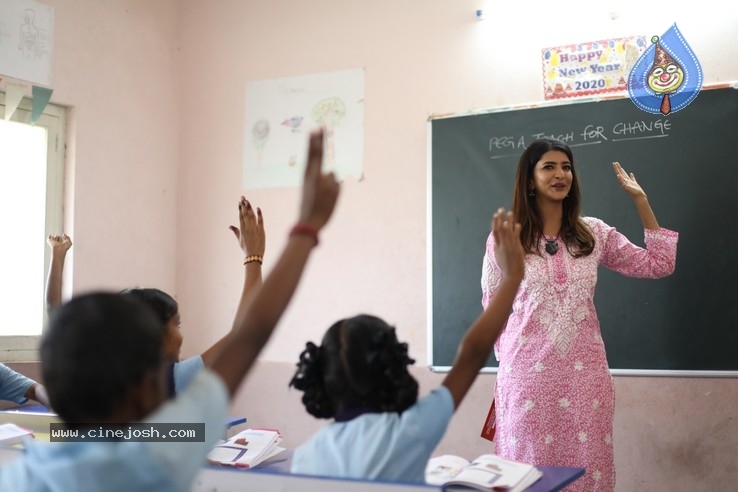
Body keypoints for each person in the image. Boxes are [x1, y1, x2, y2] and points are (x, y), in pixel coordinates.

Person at [0, 128, 340, 492]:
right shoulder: (159, 457)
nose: (181, 333)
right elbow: (249, 333)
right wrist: (303, 229)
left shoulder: (18, 477)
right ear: (147, 386)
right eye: (175, 324)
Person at [480, 138, 678, 491]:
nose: (561, 174)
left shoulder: (593, 233)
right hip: (527, 377)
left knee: (587, 469)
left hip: (585, 377)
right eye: (549, 167)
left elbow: (659, 264)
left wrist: (641, 200)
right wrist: (511, 359)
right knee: (526, 471)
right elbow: (491, 306)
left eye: (566, 167)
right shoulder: (506, 238)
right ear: (529, 179)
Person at [289, 208, 525, 483]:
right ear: (392, 365)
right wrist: (512, 278)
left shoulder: (305, 456)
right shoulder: (409, 430)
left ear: (322, 377)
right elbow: (471, 355)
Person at [45, 198, 266, 397]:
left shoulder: (94, 374)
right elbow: (244, 334)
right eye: (176, 324)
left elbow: (55, 312)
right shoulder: (168, 380)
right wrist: (253, 257)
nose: (181, 336)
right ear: (153, 334)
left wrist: (57, 255)